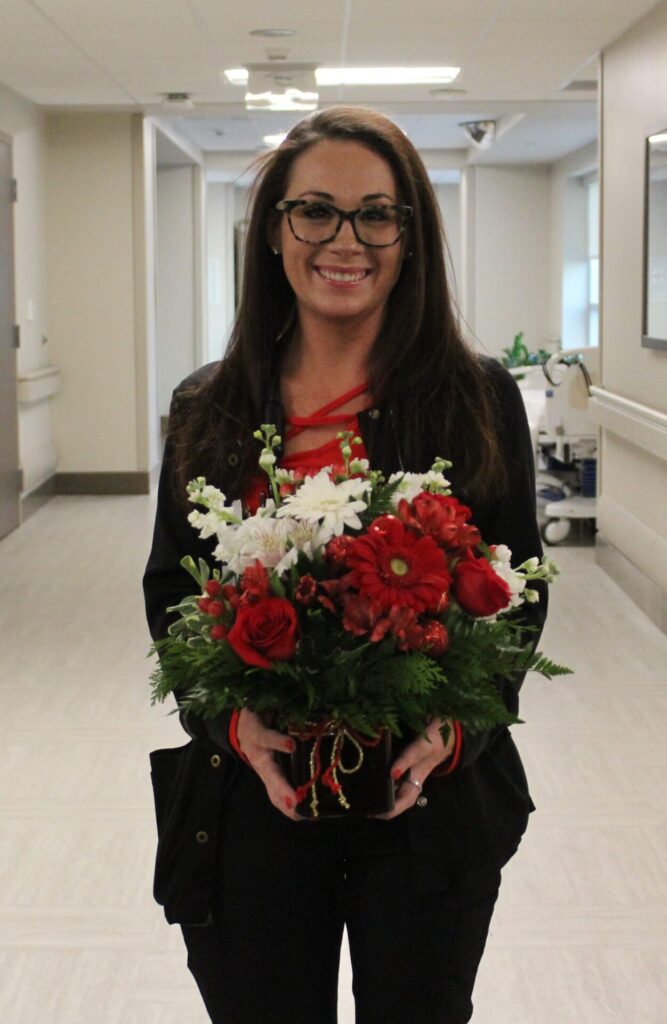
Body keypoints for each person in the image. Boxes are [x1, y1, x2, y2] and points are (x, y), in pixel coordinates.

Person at [143, 106, 547, 1024]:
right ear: (275, 231)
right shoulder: (208, 404)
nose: (345, 240)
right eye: (315, 211)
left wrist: (452, 731)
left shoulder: (473, 400)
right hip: (254, 800)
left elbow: (517, 595)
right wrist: (231, 722)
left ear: (410, 237)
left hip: (424, 804)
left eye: (377, 214)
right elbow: (174, 592)